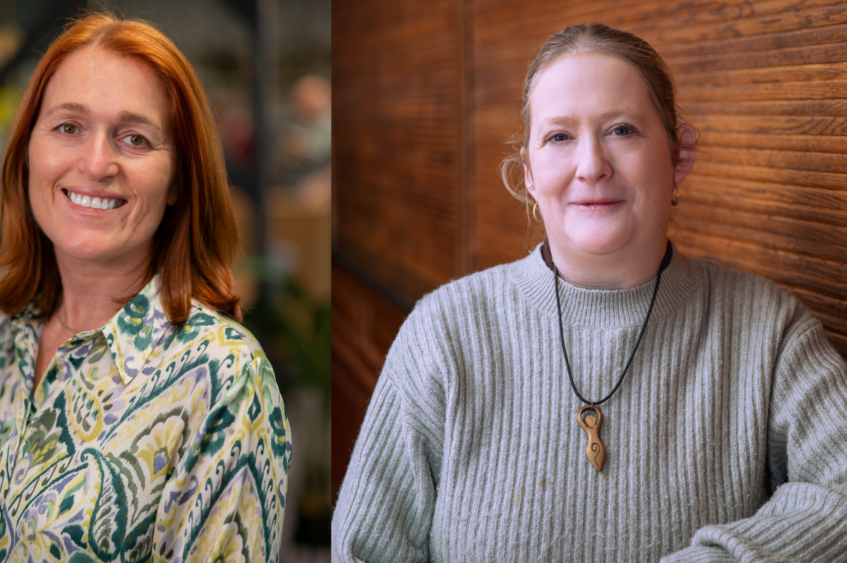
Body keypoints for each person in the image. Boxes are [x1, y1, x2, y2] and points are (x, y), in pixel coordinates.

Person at [332, 22, 847, 562]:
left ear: (679, 155)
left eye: (622, 130)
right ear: (530, 174)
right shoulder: (444, 332)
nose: (592, 166)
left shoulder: (769, 332)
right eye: (559, 137)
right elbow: (364, 549)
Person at [0, 14, 291, 563]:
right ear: (28, 151)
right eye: (69, 127)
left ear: (177, 184)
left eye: (135, 138)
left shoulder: (222, 376)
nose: (96, 163)